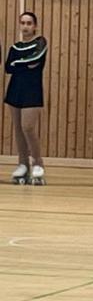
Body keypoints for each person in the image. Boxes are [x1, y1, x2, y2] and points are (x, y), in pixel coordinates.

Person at [5, 12, 48, 185]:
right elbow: (8, 67)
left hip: (32, 91)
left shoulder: (40, 43)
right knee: (18, 129)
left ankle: (37, 162)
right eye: (23, 23)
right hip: (15, 90)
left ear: (35, 26)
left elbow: (35, 58)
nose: (25, 26)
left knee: (28, 127)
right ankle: (23, 164)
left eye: (29, 23)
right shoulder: (14, 47)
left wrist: (17, 63)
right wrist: (23, 64)